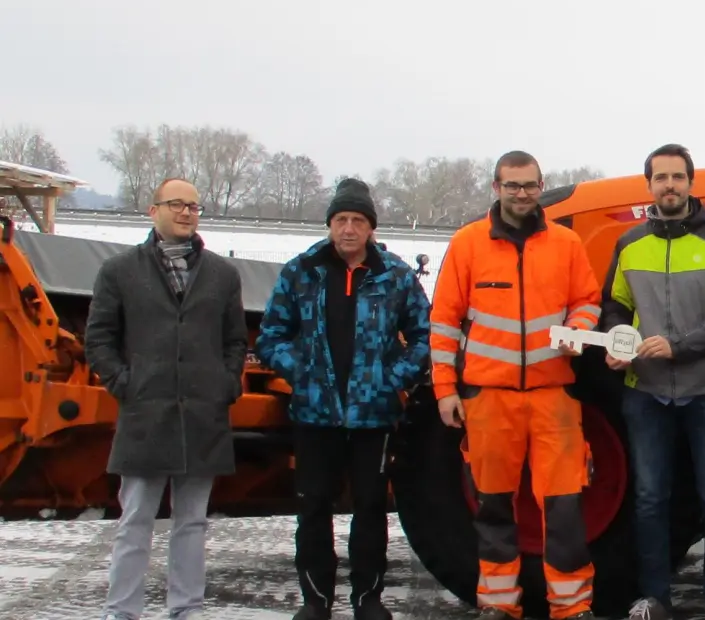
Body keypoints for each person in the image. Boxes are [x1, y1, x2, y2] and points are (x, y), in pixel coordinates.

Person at [429, 151, 603, 620]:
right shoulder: (468, 245)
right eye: (512, 185)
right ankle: (499, 605)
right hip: (489, 399)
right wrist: (445, 391)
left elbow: (588, 300)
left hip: (554, 397)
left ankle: (571, 606)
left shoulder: (566, 244)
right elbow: (444, 323)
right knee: (493, 507)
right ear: (496, 187)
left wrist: (579, 329)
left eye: (529, 185)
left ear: (540, 186)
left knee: (564, 507)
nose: (521, 194)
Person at [255, 177, 433, 620]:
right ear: (330, 224)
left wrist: (394, 378)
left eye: (357, 220)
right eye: (340, 220)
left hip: (374, 414)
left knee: (370, 506)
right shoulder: (301, 271)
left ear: (371, 227)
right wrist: (301, 371)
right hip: (316, 413)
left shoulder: (396, 276)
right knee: (313, 505)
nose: (348, 229)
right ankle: (316, 599)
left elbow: (425, 336)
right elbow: (272, 335)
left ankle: (367, 598)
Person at [84, 177, 249, 620]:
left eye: (194, 206)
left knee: (192, 522)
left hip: (202, 416)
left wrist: (225, 383)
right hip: (146, 414)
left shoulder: (221, 274)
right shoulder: (120, 271)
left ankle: (186, 608)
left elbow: (236, 340)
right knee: (135, 519)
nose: (186, 213)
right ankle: (122, 611)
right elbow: (98, 338)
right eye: (176, 204)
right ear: (152, 210)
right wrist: (124, 382)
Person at [599, 143, 705, 620]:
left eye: (678, 177)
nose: (669, 185)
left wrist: (678, 346)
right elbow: (615, 304)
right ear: (648, 186)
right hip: (645, 392)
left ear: (690, 184)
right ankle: (653, 597)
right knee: (649, 498)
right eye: (660, 178)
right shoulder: (628, 244)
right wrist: (617, 341)